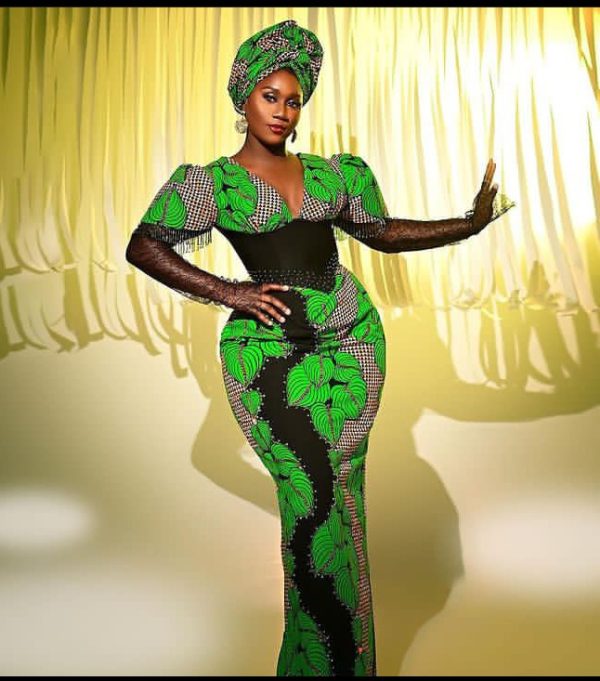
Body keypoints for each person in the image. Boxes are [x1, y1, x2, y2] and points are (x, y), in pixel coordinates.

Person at [125, 18, 515, 677]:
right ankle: (315, 660)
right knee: (309, 498)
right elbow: (144, 245)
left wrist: (468, 223)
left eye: (294, 99)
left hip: (347, 342)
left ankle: (345, 662)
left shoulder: (334, 174)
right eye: (269, 96)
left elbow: (382, 232)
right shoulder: (210, 183)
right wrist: (228, 291)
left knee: (341, 494)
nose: (282, 110)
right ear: (244, 97)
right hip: (269, 356)